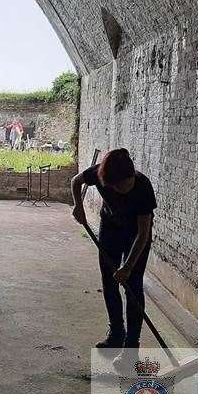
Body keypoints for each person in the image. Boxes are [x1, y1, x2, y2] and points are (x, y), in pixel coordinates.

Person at [70, 148, 157, 372]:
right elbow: (75, 181)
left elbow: (143, 233)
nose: (119, 190)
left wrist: (127, 266)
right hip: (110, 228)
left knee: (132, 287)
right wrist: (78, 206)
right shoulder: (100, 174)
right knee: (109, 281)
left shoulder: (143, 187)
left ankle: (131, 349)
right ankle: (117, 333)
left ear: (132, 177)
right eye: (114, 186)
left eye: (124, 185)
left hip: (135, 236)